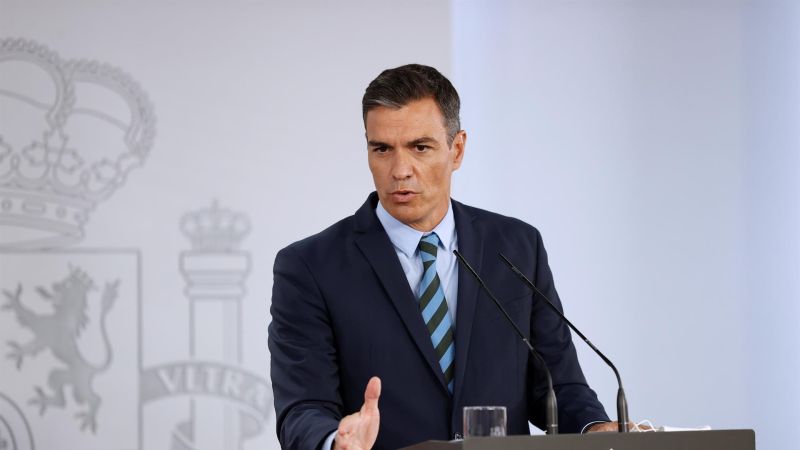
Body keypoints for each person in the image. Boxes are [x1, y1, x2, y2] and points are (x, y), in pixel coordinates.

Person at [269, 64, 614, 450]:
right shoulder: (310, 267)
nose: (400, 170)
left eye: (420, 147)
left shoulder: (517, 246)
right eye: (382, 149)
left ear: (457, 149)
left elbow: (556, 385)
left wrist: (596, 427)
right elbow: (303, 408)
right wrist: (336, 442)